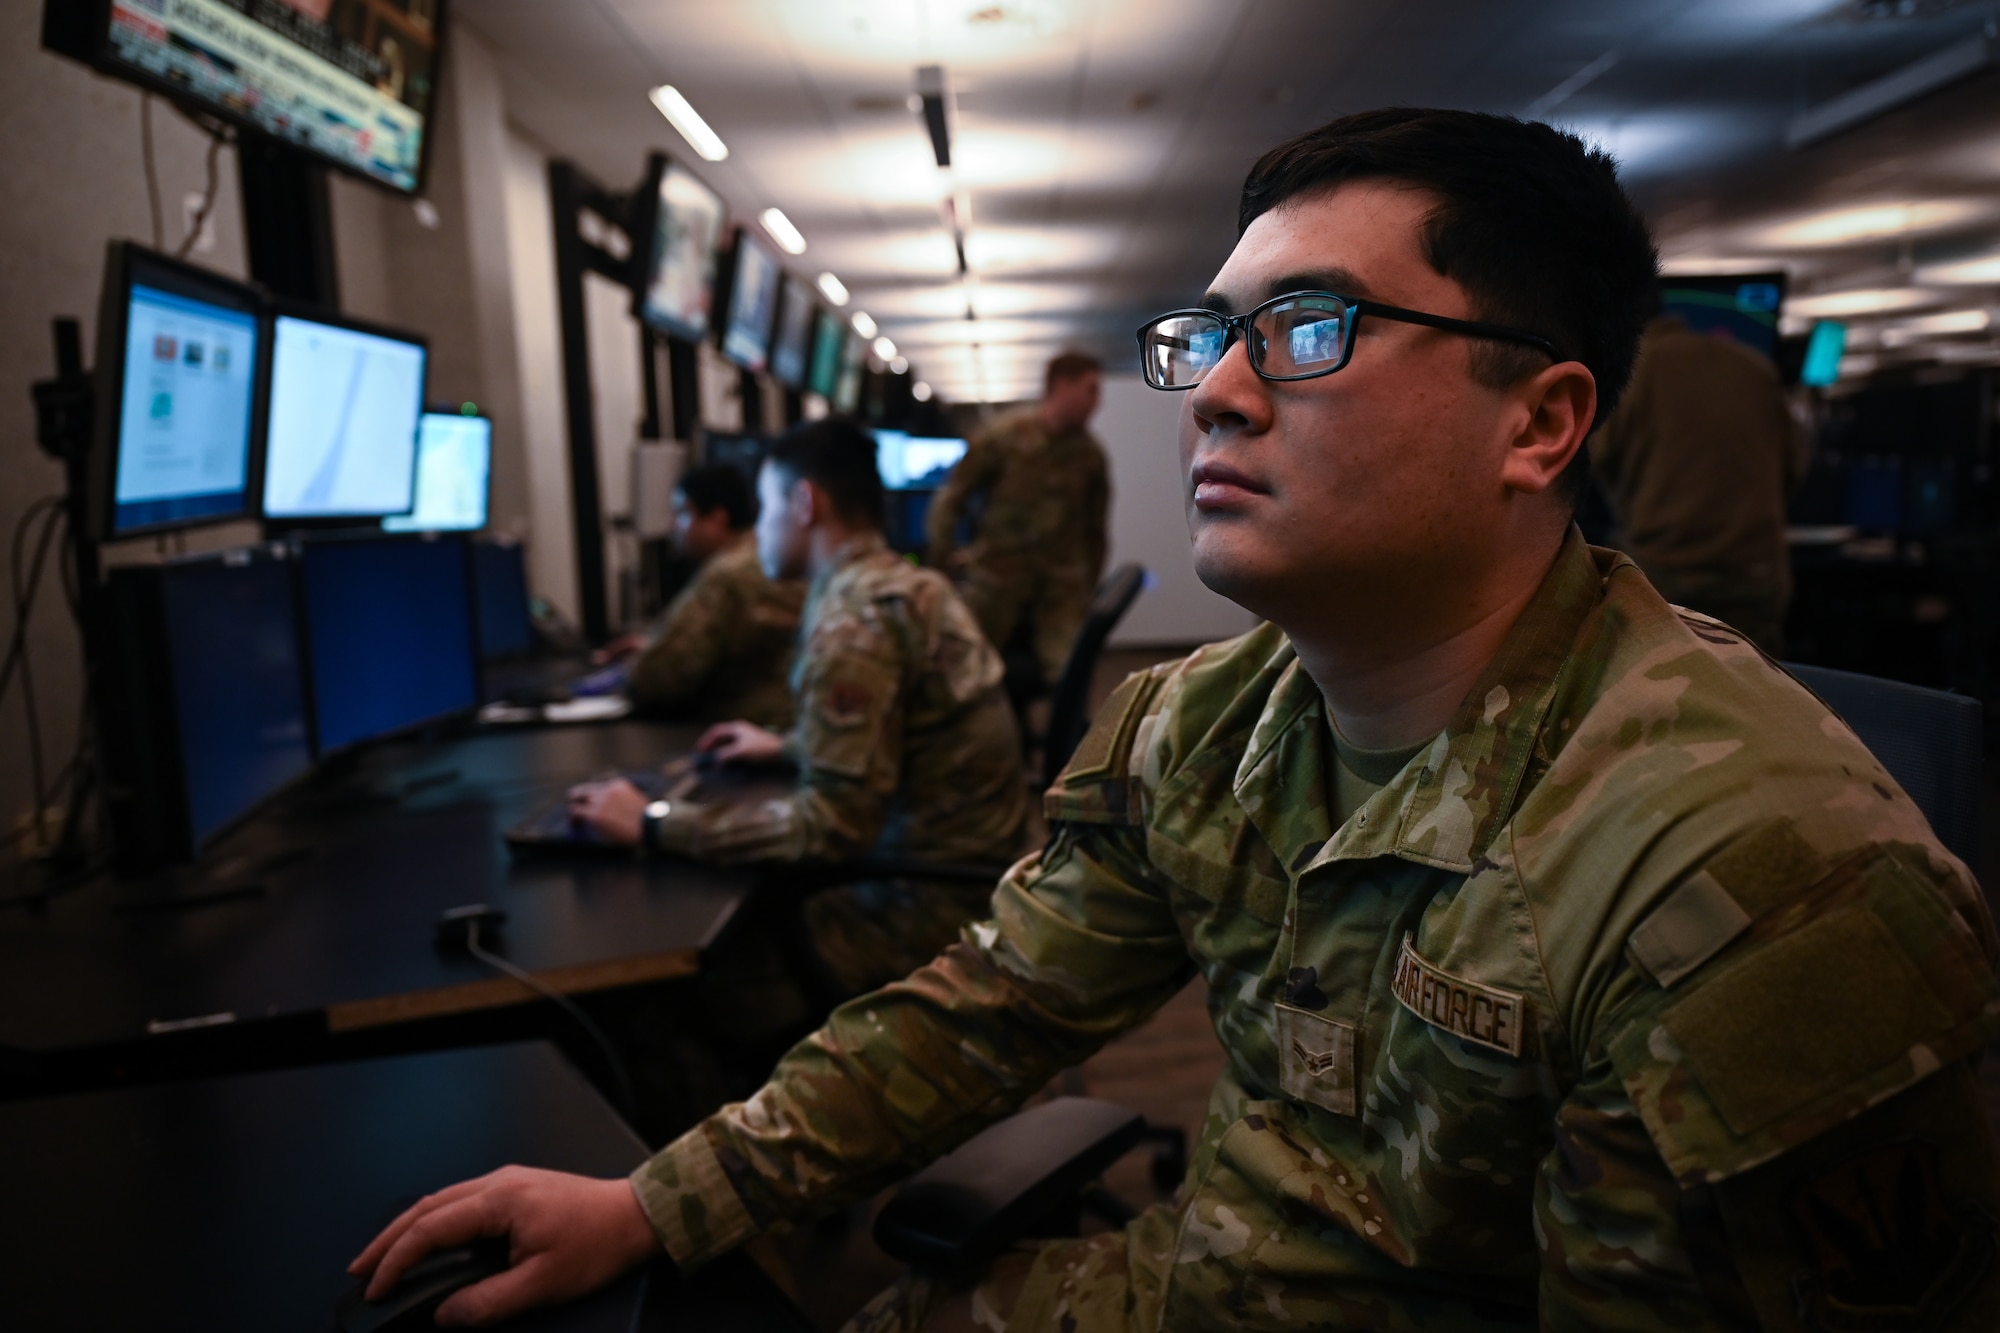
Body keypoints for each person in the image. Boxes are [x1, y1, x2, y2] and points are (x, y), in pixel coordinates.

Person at [353, 110, 2000, 1332]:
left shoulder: (1758, 884)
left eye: (1307, 328)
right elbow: (986, 1008)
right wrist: (659, 1200)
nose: (1213, 387)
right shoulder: (1199, 725)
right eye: (1211, 335)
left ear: (1543, 418)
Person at [568, 420, 1028, 995]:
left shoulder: (851, 625)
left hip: (914, 915)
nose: (757, 530)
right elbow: (903, 733)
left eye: (764, 508)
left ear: (805, 502)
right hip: (975, 886)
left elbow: (831, 830)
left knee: (668, 993)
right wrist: (791, 745)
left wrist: (655, 823)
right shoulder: (912, 585)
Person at [1588, 309, 1811, 656]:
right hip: (1755, 577)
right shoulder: (1753, 366)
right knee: (1756, 694)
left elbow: (1587, 461)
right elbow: (1794, 466)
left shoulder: (1631, 371)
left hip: (1662, 580)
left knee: (1661, 697)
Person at [926, 351, 1110, 682]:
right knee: (958, 667)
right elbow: (950, 500)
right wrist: (939, 569)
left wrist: (1087, 588)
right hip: (998, 575)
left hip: (1061, 584)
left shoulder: (1090, 455)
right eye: (1091, 389)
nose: (1097, 402)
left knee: (1070, 674)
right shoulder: (1005, 436)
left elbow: (1095, 530)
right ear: (1061, 385)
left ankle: (1069, 735)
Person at [595, 463, 806, 729]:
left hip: (742, 730)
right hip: (791, 728)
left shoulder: (726, 575)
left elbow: (659, 678)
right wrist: (654, 644)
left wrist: (636, 667)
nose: (673, 526)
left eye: (683, 513)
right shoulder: (775, 557)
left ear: (717, 518)